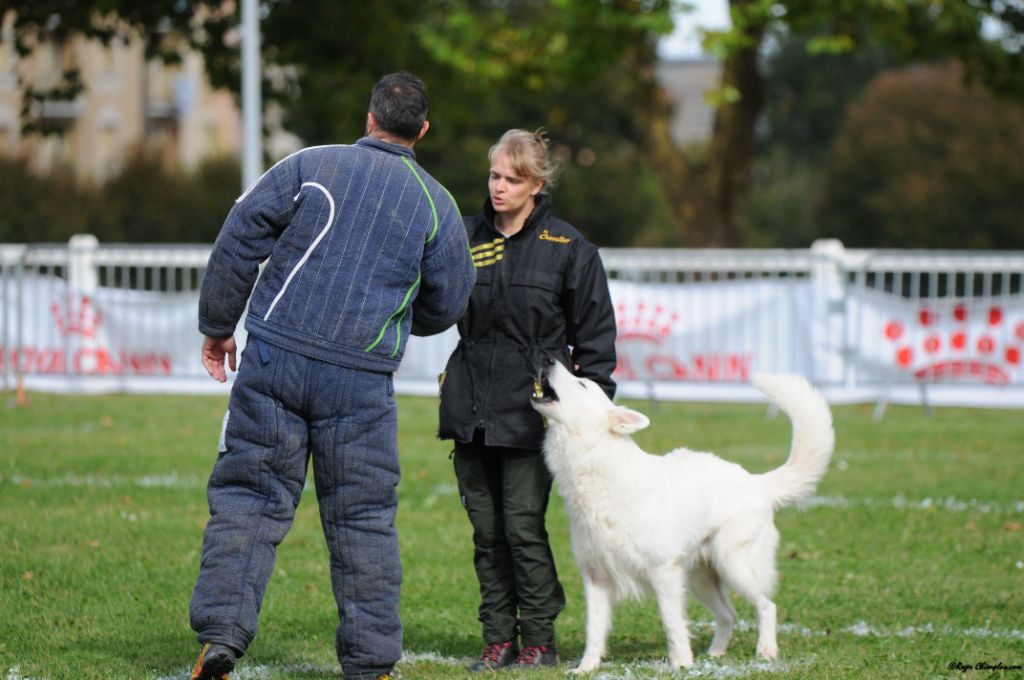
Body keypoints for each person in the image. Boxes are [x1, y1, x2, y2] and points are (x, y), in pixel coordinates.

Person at [187, 71, 476, 680]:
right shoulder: (437, 205)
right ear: (421, 131)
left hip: (273, 359)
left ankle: (220, 639)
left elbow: (240, 237)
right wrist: (394, 321)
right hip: (361, 381)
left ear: (370, 117)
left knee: (247, 498)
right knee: (362, 519)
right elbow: (448, 302)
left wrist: (218, 324)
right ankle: (370, 666)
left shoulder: (309, 165)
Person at [437, 129, 617, 671]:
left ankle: (539, 639)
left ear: (536, 185)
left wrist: (594, 415)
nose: (499, 187)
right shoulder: (464, 237)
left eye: (512, 179)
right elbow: (430, 303)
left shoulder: (569, 248)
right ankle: (498, 639)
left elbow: (596, 343)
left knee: (521, 526)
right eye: (494, 175)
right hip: (470, 403)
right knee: (486, 531)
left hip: (534, 410)